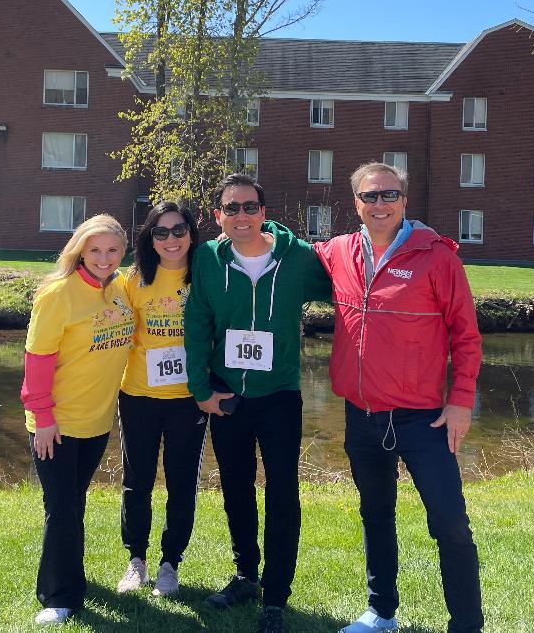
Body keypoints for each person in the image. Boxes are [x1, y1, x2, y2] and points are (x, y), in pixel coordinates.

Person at [313, 162, 484, 633]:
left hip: (423, 418)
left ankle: (466, 625)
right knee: (375, 513)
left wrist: (460, 401)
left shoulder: (437, 257)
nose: (380, 204)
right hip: (362, 414)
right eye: (370, 196)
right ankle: (381, 611)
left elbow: (466, 336)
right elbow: (286, 251)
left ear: (404, 201)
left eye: (389, 195)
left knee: (449, 522)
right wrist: (247, 229)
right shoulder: (339, 251)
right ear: (356, 204)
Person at [184, 173, 331, 633]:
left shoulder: (297, 257)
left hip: (279, 395)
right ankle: (246, 575)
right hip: (228, 395)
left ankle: (276, 596)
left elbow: (346, 289)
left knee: (283, 493)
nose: (241, 215)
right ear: (218, 216)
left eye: (250, 206)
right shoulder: (207, 259)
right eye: (232, 208)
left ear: (264, 213)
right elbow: (196, 322)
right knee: (236, 487)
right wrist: (201, 390)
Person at [19, 214, 135, 626]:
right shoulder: (58, 294)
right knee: (62, 507)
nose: (104, 258)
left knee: (73, 502)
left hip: (97, 422)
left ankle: (71, 575)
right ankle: (59, 595)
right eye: (95, 250)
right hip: (57, 424)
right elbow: (36, 361)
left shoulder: (121, 287)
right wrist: (43, 418)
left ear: (123, 251)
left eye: (112, 250)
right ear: (79, 251)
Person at [115, 203, 206, 598]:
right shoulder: (133, 280)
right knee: (137, 480)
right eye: (161, 232)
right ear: (149, 239)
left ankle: (170, 563)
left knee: (182, 483)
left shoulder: (205, 275)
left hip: (189, 399)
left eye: (179, 230)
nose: (171, 239)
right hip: (138, 395)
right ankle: (136, 559)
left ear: (191, 234)